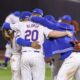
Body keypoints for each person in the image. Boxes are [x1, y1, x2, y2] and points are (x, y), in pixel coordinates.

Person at [2, 8, 73, 80]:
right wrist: (65, 32)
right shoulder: (41, 25)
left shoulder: (22, 24)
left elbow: (5, 25)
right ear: (41, 16)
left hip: (25, 56)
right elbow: (52, 34)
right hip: (37, 55)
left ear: (32, 14)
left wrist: (6, 31)